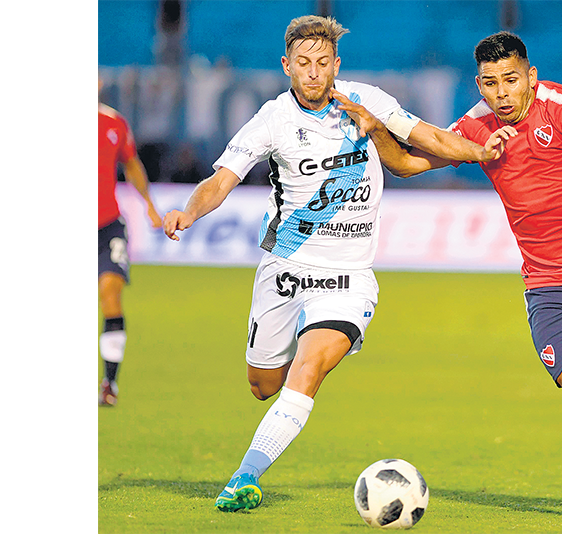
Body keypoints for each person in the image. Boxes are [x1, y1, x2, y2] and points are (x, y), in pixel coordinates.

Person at [161, 16, 515, 513]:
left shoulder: (365, 100)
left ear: (336, 65)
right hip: (284, 271)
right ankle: (283, 409)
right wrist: (188, 212)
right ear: (287, 66)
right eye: (303, 64)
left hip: (348, 278)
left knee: (309, 368)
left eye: (322, 63)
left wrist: (480, 150)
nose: (313, 73)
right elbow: (221, 180)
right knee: (264, 385)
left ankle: (245, 476)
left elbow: (425, 135)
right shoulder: (271, 119)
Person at [334, 31, 562, 524]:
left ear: (530, 77)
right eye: (489, 83)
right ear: (478, 85)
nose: (501, 93)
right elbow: (409, 163)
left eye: (510, 80)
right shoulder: (477, 127)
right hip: (550, 287)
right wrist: (376, 129)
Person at [98, 84, 163, 406]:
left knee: (110, 292)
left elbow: (132, 164)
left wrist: (149, 204)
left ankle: (110, 382)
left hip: (107, 226)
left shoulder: (113, 123)